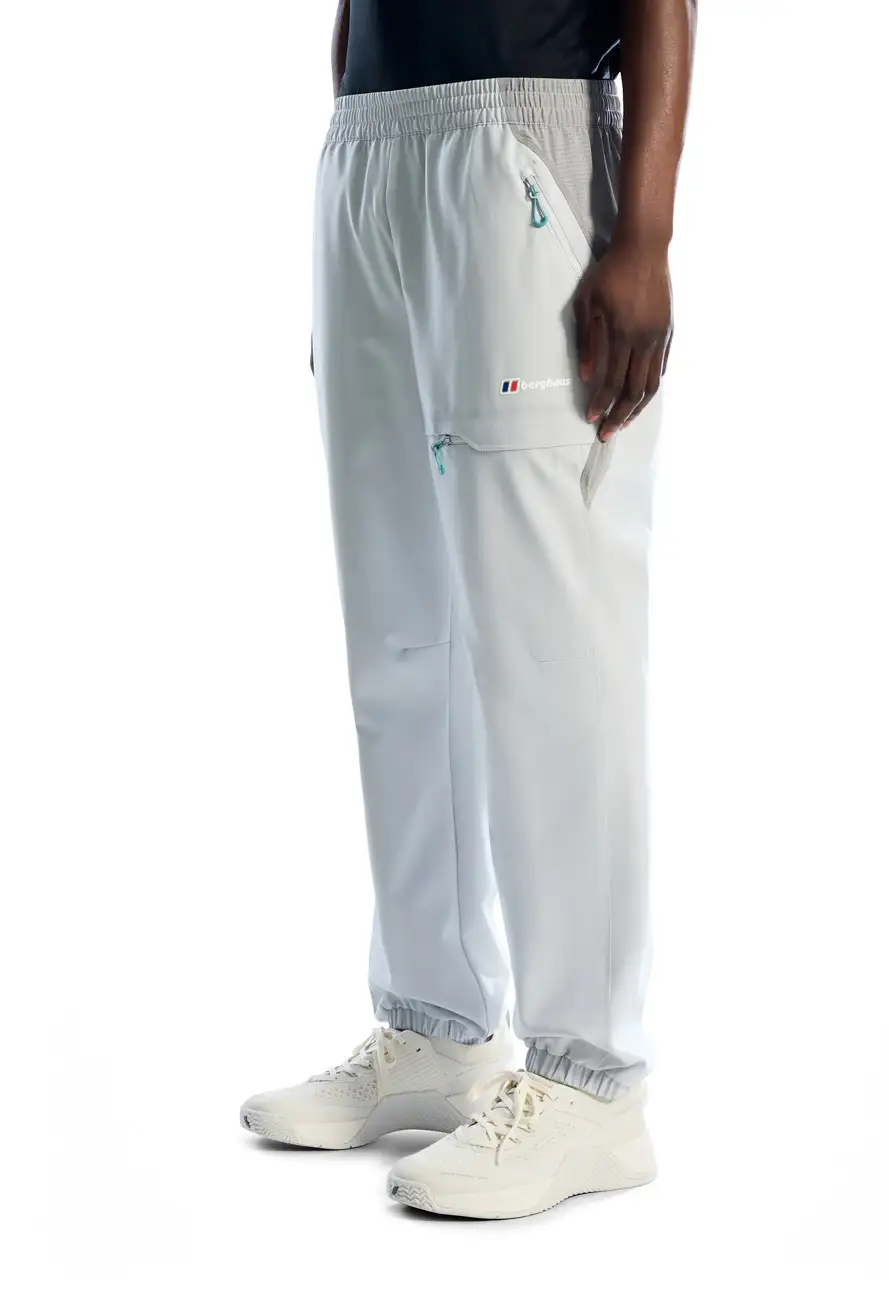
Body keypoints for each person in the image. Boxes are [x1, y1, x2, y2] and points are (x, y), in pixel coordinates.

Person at [241, 0, 695, 1219]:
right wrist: (357, 156)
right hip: (370, 152)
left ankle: (593, 1081)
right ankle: (437, 1026)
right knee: (398, 636)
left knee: (550, 639)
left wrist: (644, 233)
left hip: (518, 146)